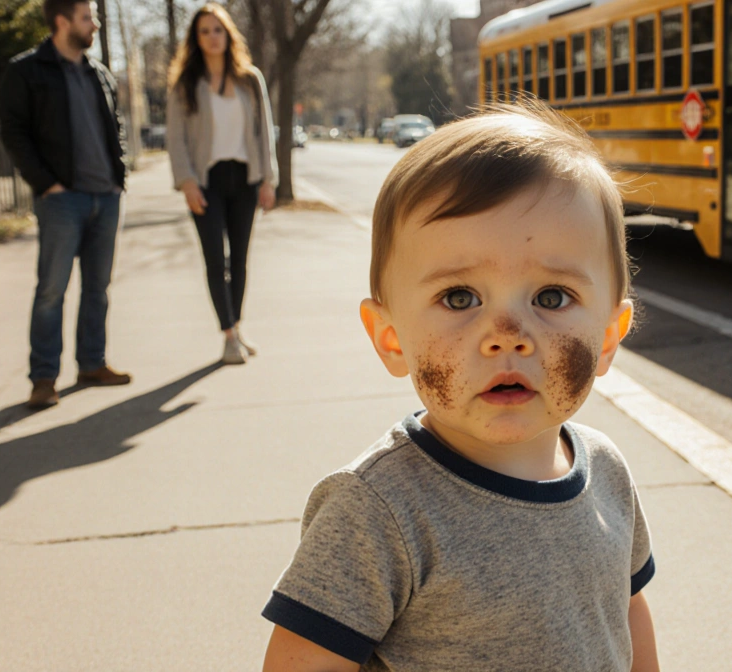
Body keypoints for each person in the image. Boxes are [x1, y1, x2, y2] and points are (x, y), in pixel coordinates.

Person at [260, 102, 660, 672]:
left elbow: (626, 611)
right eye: (459, 298)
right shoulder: (379, 511)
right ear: (392, 338)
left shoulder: (608, 473)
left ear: (607, 338)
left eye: (551, 297)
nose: (507, 336)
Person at [0, 0, 131, 410]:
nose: (96, 23)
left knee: (98, 288)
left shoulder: (99, 74)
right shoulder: (26, 71)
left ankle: (92, 363)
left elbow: (116, 128)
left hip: (104, 196)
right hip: (61, 200)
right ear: (62, 21)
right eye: (87, 16)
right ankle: (44, 377)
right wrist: (46, 184)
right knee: (52, 289)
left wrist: (117, 177)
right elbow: (13, 132)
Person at [166, 3, 276, 365]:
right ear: (195, 39)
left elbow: (263, 135)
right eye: (204, 31)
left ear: (228, 34)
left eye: (217, 29)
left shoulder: (250, 79)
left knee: (240, 259)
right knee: (216, 260)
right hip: (206, 181)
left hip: (244, 177)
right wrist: (186, 183)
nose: (212, 37)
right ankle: (229, 336)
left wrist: (268, 180)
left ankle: (237, 327)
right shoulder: (186, 83)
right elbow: (177, 137)